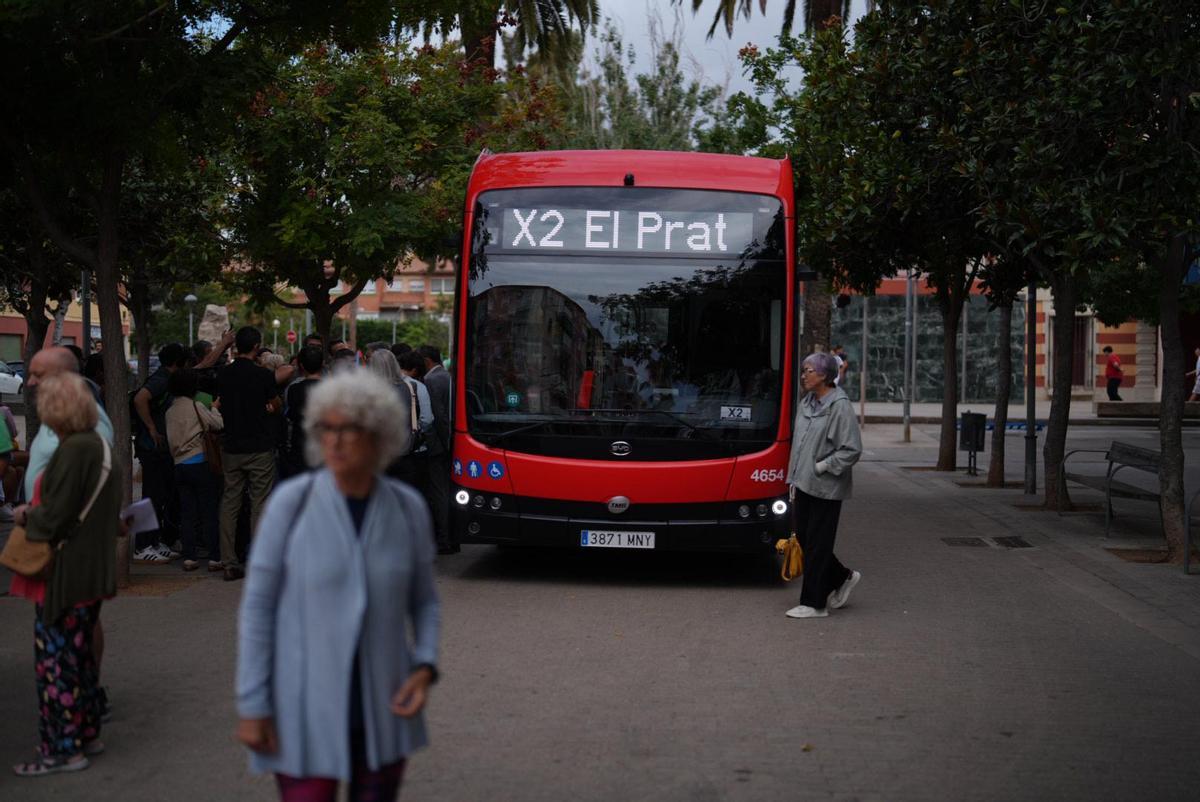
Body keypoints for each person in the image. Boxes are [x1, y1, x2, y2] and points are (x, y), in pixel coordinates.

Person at [236, 371, 439, 801]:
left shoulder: (407, 510)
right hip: (302, 705)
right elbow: (258, 610)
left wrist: (424, 665)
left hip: (385, 701)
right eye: (327, 427)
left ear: (380, 434)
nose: (336, 439)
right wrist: (253, 703)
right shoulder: (290, 506)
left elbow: (424, 601)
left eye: (350, 428)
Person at [10, 373, 120, 777]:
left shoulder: (74, 450)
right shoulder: (100, 446)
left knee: (56, 663)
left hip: (66, 572)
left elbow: (53, 517)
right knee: (80, 660)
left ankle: (61, 748)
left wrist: (25, 514)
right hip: (89, 570)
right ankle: (86, 732)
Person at [784, 352, 863, 620]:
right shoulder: (807, 403)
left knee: (818, 543)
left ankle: (814, 603)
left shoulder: (839, 406)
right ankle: (843, 577)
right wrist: (794, 476)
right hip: (803, 482)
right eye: (804, 370)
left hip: (827, 487)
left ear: (825, 375)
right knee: (807, 540)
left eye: (809, 370)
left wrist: (823, 466)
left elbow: (851, 449)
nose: (804, 375)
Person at [215, 327, 282, 582]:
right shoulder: (263, 375)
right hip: (259, 447)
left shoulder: (224, 373)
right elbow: (274, 404)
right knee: (259, 503)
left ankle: (229, 562)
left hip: (231, 445)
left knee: (230, 502)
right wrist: (271, 406)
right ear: (256, 347)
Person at [165, 369, 224, 572]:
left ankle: (189, 557)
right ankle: (215, 557)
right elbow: (218, 424)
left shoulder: (170, 411)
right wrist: (215, 408)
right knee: (208, 511)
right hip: (200, 462)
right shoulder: (197, 406)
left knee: (187, 512)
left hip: (179, 465)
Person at [418, 345, 454, 554]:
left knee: (438, 491)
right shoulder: (447, 376)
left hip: (438, 445)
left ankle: (444, 538)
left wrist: (443, 442)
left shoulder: (431, 380)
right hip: (447, 442)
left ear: (426, 360)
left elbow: (437, 416)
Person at [282, 346, 324, 478]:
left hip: (300, 447)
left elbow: (291, 414)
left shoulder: (294, 389)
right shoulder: (332, 389)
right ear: (323, 364)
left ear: (301, 366)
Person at [396, 351, 435, 493]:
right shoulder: (417, 386)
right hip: (415, 451)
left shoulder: (384, 385)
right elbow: (427, 419)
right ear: (414, 369)